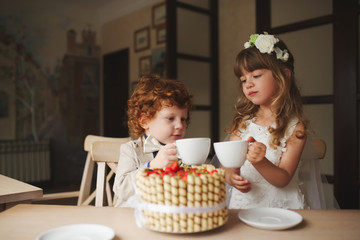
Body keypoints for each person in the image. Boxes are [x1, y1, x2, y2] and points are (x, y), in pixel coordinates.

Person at [224, 32, 318, 209]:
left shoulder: (295, 128)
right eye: (243, 79)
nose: (248, 84)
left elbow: (283, 179)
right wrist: (231, 176)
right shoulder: (242, 124)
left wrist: (260, 161)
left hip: (282, 210)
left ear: (283, 75)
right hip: (244, 207)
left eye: (256, 76)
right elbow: (227, 165)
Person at [113, 74, 193, 207]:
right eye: (170, 118)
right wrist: (152, 166)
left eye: (183, 119)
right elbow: (122, 189)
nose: (180, 125)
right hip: (132, 217)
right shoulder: (131, 150)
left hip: (168, 217)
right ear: (145, 121)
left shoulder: (183, 152)